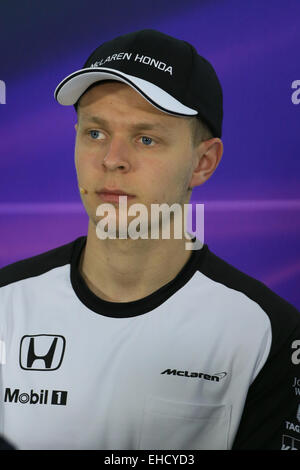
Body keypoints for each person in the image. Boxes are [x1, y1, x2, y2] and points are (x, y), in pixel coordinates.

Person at [0, 29, 299, 451]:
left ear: (203, 162)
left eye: (146, 138)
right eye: (95, 133)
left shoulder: (269, 335)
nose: (112, 159)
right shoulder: (4, 304)